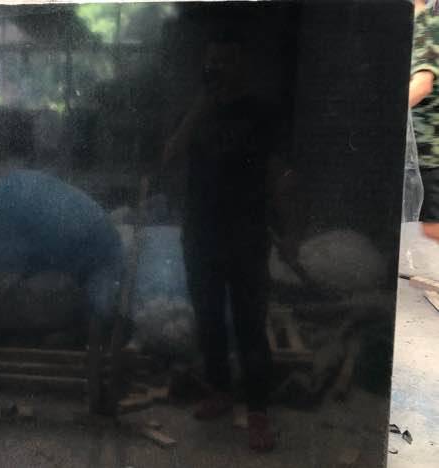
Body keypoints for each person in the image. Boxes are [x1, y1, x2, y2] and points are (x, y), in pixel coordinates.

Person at [161, 35, 290, 452]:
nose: (216, 68)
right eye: (210, 61)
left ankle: (258, 411)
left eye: (224, 61)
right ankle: (219, 390)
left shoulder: (261, 113)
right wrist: (201, 105)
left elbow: (276, 174)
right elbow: (169, 156)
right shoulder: (195, 112)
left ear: (241, 64)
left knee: (250, 322)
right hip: (201, 233)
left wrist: (289, 230)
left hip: (247, 234)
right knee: (209, 317)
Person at [410, 0, 439, 239]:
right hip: (427, 154)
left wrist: (381, 116)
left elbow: (422, 85)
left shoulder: (424, 22)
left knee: (430, 232)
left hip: (429, 155)